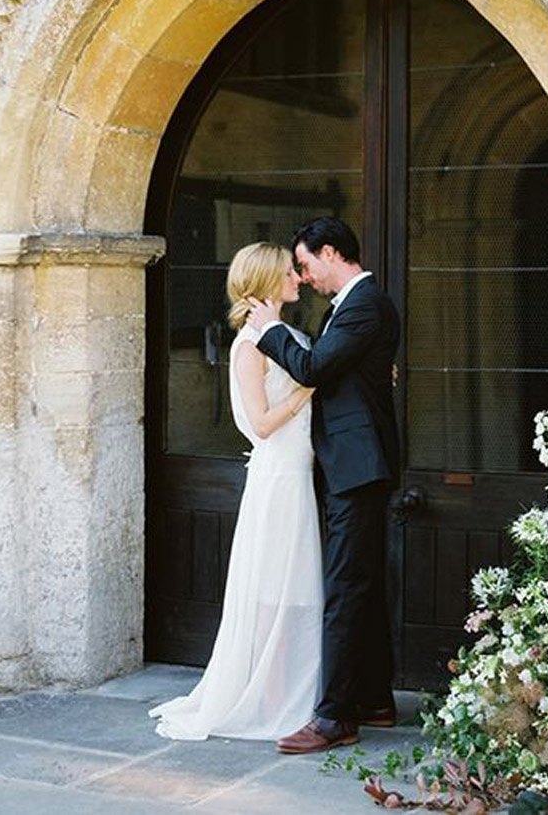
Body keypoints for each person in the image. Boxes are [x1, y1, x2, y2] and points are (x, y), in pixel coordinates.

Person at [149, 242, 321, 741]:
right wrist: (309, 387)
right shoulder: (248, 346)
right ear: (267, 281)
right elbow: (263, 424)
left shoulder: (284, 334)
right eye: (289, 271)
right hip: (278, 477)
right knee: (274, 588)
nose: (297, 277)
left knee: (301, 588)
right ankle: (271, 698)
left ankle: (296, 688)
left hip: (299, 472)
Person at [247, 217, 400, 754]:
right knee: (361, 583)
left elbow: (312, 368)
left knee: (344, 588)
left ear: (331, 253)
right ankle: (375, 697)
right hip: (353, 463)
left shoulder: (363, 305)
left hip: (357, 466)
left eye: (307, 264)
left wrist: (267, 333)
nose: (305, 277)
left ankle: (335, 717)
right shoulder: (355, 307)